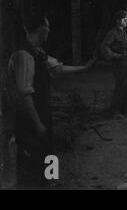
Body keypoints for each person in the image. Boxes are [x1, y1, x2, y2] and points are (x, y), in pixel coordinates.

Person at [6, 15, 95, 188]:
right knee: (31, 157)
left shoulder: (38, 52)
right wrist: (38, 123)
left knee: (46, 149)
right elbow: (25, 96)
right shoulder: (23, 56)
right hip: (29, 116)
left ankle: (49, 182)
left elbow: (57, 67)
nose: (49, 30)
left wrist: (85, 68)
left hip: (42, 110)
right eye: (47, 27)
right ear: (40, 29)